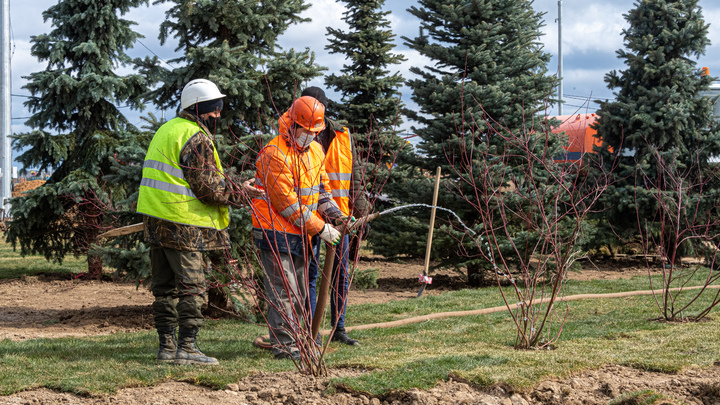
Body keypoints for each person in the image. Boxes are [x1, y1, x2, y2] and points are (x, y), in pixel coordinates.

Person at [137, 78, 237, 366]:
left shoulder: (166, 131)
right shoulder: (196, 138)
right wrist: (240, 192)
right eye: (213, 108)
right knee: (192, 287)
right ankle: (188, 348)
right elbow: (208, 189)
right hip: (183, 226)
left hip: (157, 222)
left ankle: (166, 347)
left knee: (164, 289)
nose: (218, 114)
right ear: (198, 108)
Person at [251, 96, 346, 360]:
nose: (309, 137)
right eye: (305, 131)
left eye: (314, 132)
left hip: (302, 234)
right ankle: (285, 347)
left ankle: (299, 341)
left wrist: (335, 215)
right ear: (292, 124)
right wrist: (320, 228)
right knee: (284, 292)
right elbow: (287, 204)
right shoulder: (274, 153)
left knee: (301, 291)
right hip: (275, 232)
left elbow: (321, 190)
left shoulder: (315, 150)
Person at [301, 87, 371, 346]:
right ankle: (312, 329)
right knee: (309, 272)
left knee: (340, 273)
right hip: (309, 218)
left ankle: (338, 328)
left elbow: (355, 178)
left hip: (339, 217)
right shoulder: (299, 135)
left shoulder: (343, 135)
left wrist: (360, 212)